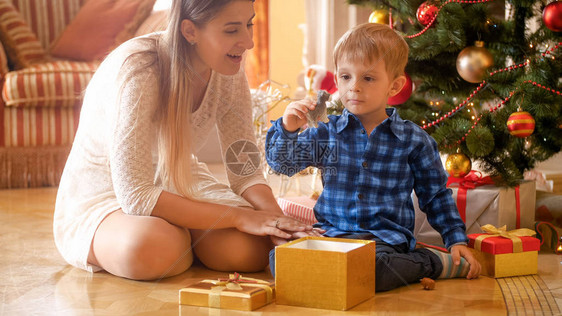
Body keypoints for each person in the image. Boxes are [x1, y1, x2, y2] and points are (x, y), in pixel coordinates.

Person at [53, 0, 313, 281]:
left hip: (180, 182)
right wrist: (240, 217)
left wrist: (279, 223)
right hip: (110, 192)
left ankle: (183, 235)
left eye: (249, 24)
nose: (248, 42)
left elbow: (245, 171)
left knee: (251, 251)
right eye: (231, 30)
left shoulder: (230, 68)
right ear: (189, 31)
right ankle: (181, 237)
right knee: (153, 247)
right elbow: (136, 195)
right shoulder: (139, 71)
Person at [265, 23, 481, 292]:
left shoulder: (414, 140)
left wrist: (455, 240)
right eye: (345, 77)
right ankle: (337, 275)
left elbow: (435, 196)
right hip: (332, 237)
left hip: (384, 242)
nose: (353, 88)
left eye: (368, 78)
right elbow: (281, 163)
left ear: (394, 85)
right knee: (280, 261)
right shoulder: (325, 132)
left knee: (374, 269)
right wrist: (287, 129)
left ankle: (429, 261)